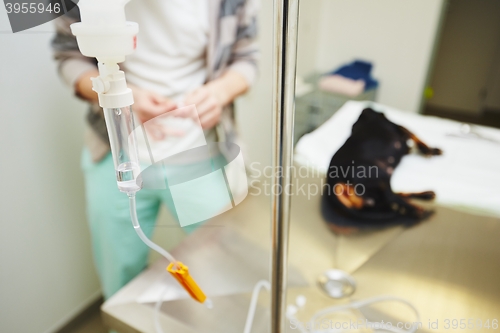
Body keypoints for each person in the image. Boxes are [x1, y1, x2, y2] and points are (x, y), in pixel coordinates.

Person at [51, 0, 259, 300]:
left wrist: (219, 93)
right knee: (120, 276)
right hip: (116, 154)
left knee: (222, 269)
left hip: (197, 152)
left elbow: (247, 57)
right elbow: (68, 56)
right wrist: (120, 94)